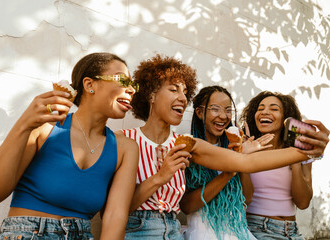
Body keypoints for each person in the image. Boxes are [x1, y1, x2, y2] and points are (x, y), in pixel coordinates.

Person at [121, 54, 328, 240]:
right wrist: (161, 176)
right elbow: (116, 210)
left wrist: (306, 150)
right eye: (174, 90)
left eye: (185, 92)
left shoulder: (189, 144)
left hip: (181, 229)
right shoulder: (125, 140)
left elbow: (245, 164)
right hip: (140, 229)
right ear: (150, 95)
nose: (183, 98)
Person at [0, 52, 139, 240]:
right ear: (89, 85)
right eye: (123, 80)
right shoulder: (45, 126)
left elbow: (115, 218)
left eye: (133, 85)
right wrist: (23, 126)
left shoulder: (126, 148)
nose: (132, 90)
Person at [181, 86, 272, 240]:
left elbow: (247, 198)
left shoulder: (235, 147)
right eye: (215, 109)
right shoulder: (190, 149)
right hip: (203, 233)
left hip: (238, 232)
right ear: (199, 113)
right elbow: (186, 206)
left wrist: (242, 159)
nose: (223, 116)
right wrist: (229, 172)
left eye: (228, 110)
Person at [240, 91, 329, 240]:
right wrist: (244, 155)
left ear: (286, 118)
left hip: (293, 232)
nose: (265, 112)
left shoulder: (299, 152)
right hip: (256, 228)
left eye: (274, 109)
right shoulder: (246, 149)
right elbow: (243, 198)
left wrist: (293, 158)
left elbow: (303, 202)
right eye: (260, 108)